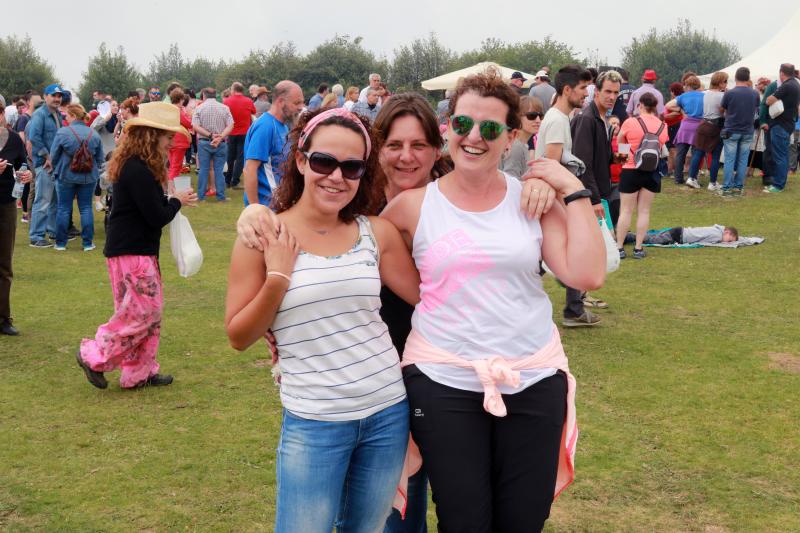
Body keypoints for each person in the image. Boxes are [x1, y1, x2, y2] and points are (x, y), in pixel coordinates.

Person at [380, 72, 604, 533]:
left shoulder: (532, 201)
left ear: (512, 137)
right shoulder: (411, 208)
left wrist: (570, 188)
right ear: (447, 128)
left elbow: (587, 273)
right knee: (464, 519)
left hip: (532, 375)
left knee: (524, 519)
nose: (473, 137)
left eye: (490, 128)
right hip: (444, 378)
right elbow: (346, 252)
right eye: (463, 124)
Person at [225, 107, 421, 532]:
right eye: (323, 162)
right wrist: (277, 277)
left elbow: (431, 298)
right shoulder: (264, 236)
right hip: (314, 422)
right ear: (300, 160)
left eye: (351, 167)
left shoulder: (375, 232)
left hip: (387, 413)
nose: (336, 176)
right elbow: (239, 336)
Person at [75, 102, 197, 390]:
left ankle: (139, 372)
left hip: (135, 250)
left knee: (146, 314)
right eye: (168, 137)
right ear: (152, 135)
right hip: (131, 252)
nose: (171, 143)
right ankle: (94, 355)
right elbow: (156, 216)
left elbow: (150, 211)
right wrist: (177, 201)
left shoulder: (141, 166)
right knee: (143, 313)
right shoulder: (137, 169)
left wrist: (173, 199)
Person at [535, 65, 600, 327]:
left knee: (542, 255)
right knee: (564, 250)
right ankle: (573, 310)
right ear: (567, 90)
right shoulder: (557, 120)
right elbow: (551, 166)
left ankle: (574, 307)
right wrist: (567, 203)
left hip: (550, 199)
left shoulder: (559, 118)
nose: (586, 93)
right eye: (583, 88)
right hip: (551, 199)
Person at [615, 92, 669, 259]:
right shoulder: (662, 126)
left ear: (640, 105)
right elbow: (661, 146)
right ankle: (638, 248)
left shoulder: (631, 122)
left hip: (631, 168)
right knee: (644, 211)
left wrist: (623, 160)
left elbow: (620, 141)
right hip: (652, 171)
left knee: (626, 210)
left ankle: (619, 247)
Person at [49, 104, 105, 251]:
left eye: (67, 115)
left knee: (63, 209)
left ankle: (61, 243)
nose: (65, 118)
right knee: (86, 208)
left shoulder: (63, 132)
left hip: (65, 175)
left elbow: (53, 156)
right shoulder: (94, 134)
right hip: (88, 176)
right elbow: (100, 158)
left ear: (73, 116)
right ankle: (87, 243)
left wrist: (54, 169)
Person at [242, 80, 304, 207]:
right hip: (267, 207)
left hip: (280, 204)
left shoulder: (284, 126)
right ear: (281, 101)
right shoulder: (265, 126)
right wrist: (255, 209)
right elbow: (250, 169)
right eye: (297, 103)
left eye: (302, 102)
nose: (301, 107)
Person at [0, 100, 33, 335]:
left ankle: (3, 319)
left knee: (4, 264)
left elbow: (22, 163)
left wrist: (26, 173)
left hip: (6, 204)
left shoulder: (13, 139)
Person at [28, 84, 65, 248]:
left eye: (59, 96)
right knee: (42, 200)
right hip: (44, 164)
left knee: (54, 201)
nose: (57, 98)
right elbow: (34, 137)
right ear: (45, 96)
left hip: (56, 164)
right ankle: (36, 237)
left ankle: (52, 231)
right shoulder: (40, 115)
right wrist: (47, 156)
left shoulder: (57, 114)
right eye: (53, 95)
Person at [720, 67, 760, 196]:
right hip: (748, 130)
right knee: (743, 160)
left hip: (731, 129)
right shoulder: (755, 93)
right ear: (748, 78)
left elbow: (722, 108)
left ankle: (726, 188)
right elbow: (756, 109)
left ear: (736, 77)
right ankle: (738, 187)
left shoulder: (730, 93)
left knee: (729, 160)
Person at [192, 87, 234, 201]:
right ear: (216, 95)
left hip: (204, 142)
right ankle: (221, 196)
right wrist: (220, 137)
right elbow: (230, 125)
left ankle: (201, 196)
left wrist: (210, 135)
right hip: (220, 143)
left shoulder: (199, 108)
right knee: (219, 170)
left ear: (203, 96)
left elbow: (195, 126)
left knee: (204, 169)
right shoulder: (225, 108)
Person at [688, 72, 728, 191]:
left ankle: (691, 178)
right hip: (715, 126)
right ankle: (712, 182)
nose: (726, 84)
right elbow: (724, 113)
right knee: (715, 155)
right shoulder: (722, 96)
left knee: (698, 152)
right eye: (725, 81)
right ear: (720, 83)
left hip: (703, 124)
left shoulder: (704, 93)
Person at [764, 63, 800, 192]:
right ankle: (780, 182)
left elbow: (768, 100)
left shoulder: (786, 85)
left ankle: (778, 185)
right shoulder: (796, 84)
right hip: (788, 123)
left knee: (779, 155)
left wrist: (769, 97)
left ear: (781, 73)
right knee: (783, 155)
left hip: (780, 124)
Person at [666, 75, 704, 187]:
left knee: (680, 153)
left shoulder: (683, 96)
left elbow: (668, 105)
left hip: (685, 125)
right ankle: (692, 177)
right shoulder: (703, 96)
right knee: (696, 153)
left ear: (687, 85)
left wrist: (680, 109)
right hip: (698, 126)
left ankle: (678, 178)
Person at [223, 82, 256, 190]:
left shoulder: (227, 101)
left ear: (233, 89)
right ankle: (235, 181)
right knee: (241, 158)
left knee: (230, 157)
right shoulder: (249, 101)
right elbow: (253, 112)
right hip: (244, 132)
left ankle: (227, 180)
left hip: (231, 132)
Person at [501, 95, 543, 178]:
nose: (538, 120)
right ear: (517, 117)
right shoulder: (516, 146)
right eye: (532, 116)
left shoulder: (520, 144)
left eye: (540, 116)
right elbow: (510, 181)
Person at [167, 88, 193, 190]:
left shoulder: (169, 109)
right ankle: (172, 190)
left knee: (172, 166)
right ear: (181, 99)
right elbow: (188, 124)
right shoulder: (177, 110)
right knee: (176, 167)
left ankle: (171, 189)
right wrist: (190, 117)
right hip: (179, 142)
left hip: (170, 141)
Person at [629, 225, 738, 245]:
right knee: (652, 240)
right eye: (729, 240)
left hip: (679, 231)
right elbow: (707, 242)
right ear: (727, 232)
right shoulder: (718, 236)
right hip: (678, 236)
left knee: (654, 236)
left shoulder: (716, 229)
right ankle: (628, 236)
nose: (726, 242)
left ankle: (628, 235)